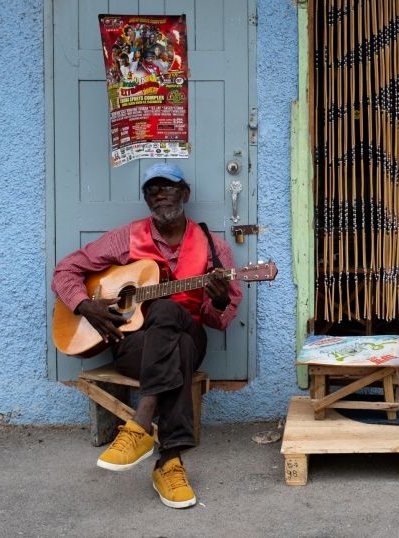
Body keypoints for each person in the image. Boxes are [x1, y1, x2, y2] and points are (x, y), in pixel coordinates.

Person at [52, 163, 272, 509]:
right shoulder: (126, 238)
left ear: (185, 194)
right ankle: (169, 461)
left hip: (191, 333)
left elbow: (221, 319)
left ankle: (141, 423)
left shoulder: (213, 248)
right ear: (146, 199)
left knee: (171, 313)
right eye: (151, 190)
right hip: (133, 345)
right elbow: (66, 269)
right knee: (177, 344)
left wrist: (216, 299)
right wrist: (85, 306)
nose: (159, 195)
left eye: (167, 188)